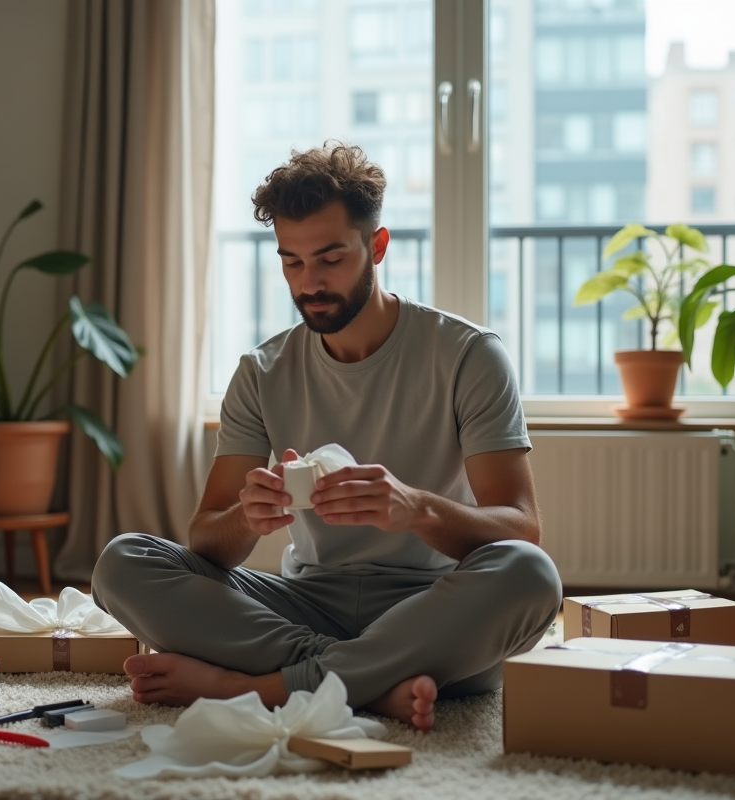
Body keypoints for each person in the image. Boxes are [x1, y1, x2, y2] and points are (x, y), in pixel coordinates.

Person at [93, 143, 561, 731]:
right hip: (306, 609)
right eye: (292, 262)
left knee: (531, 574)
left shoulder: (469, 355)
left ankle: (257, 688)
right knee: (122, 562)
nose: (309, 283)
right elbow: (207, 537)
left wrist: (415, 508)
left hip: (431, 609)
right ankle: (364, 683)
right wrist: (248, 516)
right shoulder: (262, 372)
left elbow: (522, 527)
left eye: (330, 259)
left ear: (378, 247)